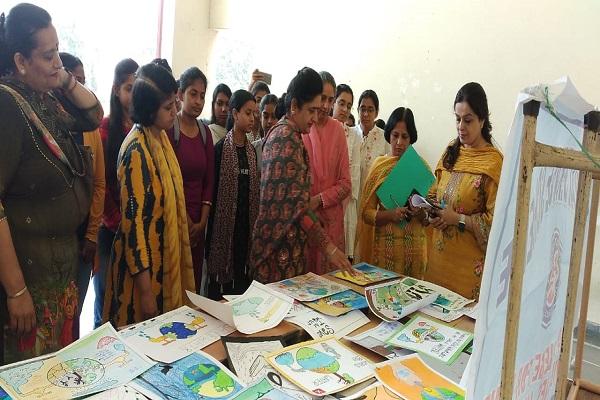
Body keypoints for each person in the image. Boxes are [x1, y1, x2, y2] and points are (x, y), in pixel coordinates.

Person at [0, 3, 103, 363]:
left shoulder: (43, 98)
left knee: (57, 373)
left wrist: (63, 77)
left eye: (58, 50)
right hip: (30, 282)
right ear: (20, 61)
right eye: (48, 55)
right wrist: (16, 292)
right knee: (28, 377)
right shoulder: (7, 105)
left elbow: (93, 115)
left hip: (58, 275)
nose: (58, 60)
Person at [103, 63, 195, 327]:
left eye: (174, 104)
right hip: (140, 278)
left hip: (160, 267)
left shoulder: (159, 140)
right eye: (168, 108)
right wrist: (145, 293)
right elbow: (135, 230)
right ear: (148, 108)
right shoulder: (136, 150)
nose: (176, 112)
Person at [249, 67, 352, 283]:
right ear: (294, 106)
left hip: (289, 251)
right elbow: (298, 208)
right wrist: (329, 248)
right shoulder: (285, 139)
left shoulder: (291, 135)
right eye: (311, 110)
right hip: (276, 255)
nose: (316, 117)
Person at [424, 82, 503, 299]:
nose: (461, 126)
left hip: (468, 272)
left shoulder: (493, 163)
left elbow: (496, 224)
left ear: (482, 120)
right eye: (457, 119)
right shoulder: (451, 152)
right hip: (438, 265)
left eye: (468, 120)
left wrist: (458, 219)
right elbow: (433, 195)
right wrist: (433, 215)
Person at [59, 52, 106, 338]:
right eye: (74, 81)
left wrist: (91, 235)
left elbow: (99, 183)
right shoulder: (45, 126)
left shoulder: (91, 129)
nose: (80, 90)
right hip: (54, 241)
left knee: (74, 313)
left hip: (83, 238)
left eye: (84, 82)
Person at [355, 108, 428, 277]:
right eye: (395, 135)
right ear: (389, 135)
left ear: (412, 138)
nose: (399, 142)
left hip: (416, 255)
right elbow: (366, 214)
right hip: (385, 254)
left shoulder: (420, 167)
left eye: (405, 137)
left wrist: (420, 212)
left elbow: (430, 218)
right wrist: (390, 214)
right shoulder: (379, 167)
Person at [95, 58, 138, 328]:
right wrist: (116, 219)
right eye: (128, 88)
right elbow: (101, 183)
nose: (133, 94)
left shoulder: (143, 130)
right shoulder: (105, 128)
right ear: (116, 89)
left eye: (137, 88)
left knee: (127, 299)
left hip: (135, 229)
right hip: (110, 229)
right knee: (105, 297)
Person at [206, 90, 259, 299]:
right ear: (235, 114)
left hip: (245, 232)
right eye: (248, 113)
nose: (252, 118)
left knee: (241, 289)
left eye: (254, 113)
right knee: (220, 293)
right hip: (224, 230)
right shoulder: (220, 150)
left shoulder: (252, 152)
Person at [168, 67, 214, 294]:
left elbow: (209, 181)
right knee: (174, 281)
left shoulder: (205, 133)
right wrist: (186, 220)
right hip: (174, 220)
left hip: (198, 224)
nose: (198, 101)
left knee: (193, 284)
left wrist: (201, 222)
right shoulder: (169, 130)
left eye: (202, 95)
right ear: (180, 94)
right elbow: (169, 181)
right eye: (193, 94)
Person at [302, 72, 351, 274]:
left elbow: (346, 184)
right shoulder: (302, 128)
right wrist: (309, 205)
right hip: (306, 222)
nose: (326, 105)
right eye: (322, 98)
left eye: (331, 100)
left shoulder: (338, 130)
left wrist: (319, 200)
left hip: (332, 224)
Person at [332, 84, 362, 262]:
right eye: (341, 103)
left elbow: (354, 173)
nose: (344, 109)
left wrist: (342, 205)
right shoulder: (321, 130)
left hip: (346, 203)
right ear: (332, 103)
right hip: (324, 203)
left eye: (349, 106)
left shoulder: (354, 135)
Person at [357, 90, 390, 195]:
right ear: (358, 110)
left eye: (370, 110)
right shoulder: (350, 135)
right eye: (363, 109)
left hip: (372, 200)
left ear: (376, 112)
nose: (366, 114)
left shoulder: (385, 139)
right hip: (350, 201)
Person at [253, 93, 278, 170]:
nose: (269, 121)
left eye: (274, 117)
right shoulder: (253, 148)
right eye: (266, 116)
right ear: (260, 117)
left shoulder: (284, 149)